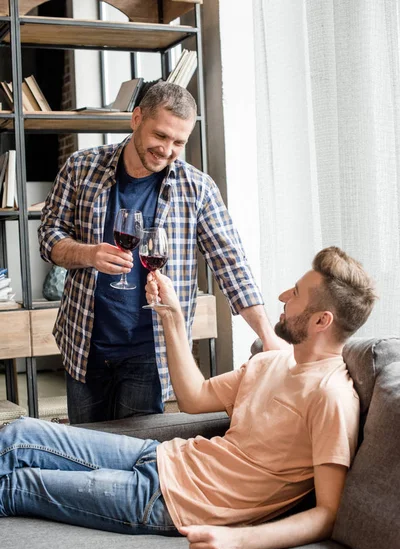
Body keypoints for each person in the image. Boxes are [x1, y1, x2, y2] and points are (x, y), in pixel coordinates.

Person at [0, 247, 377, 549]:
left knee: (18, 486)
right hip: (161, 456)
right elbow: (193, 397)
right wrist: (173, 317)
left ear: (320, 320)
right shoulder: (271, 362)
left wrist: (238, 543)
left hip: (176, 503)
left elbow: (327, 514)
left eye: (295, 294)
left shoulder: (332, 396)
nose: (281, 296)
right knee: (17, 433)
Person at [38, 81, 284, 425]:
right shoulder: (82, 167)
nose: (167, 149)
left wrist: (267, 335)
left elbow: (232, 264)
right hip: (85, 343)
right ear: (136, 118)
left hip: (151, 351)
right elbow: (49, 236)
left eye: (179, 142)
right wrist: (89, 254)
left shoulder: (197, 188)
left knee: (136, 455)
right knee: (85, 451)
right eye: (161, 136)